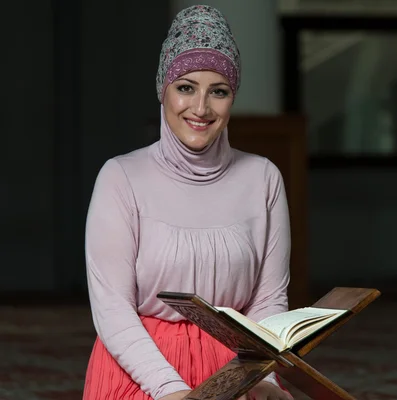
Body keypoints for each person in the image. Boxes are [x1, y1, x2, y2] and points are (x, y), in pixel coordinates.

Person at [82, 5, 294, 400]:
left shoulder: (263, 177)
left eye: (219, 91)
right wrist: (170, 390)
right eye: (185, 87)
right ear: (163, 90)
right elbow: (112, 308)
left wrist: (262, 379)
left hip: (237, 369)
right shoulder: (121, 177)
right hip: (139, 370)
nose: (201, 108)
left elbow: (268, 298)